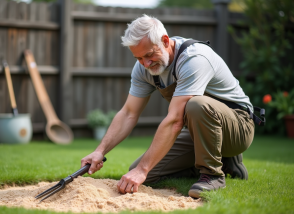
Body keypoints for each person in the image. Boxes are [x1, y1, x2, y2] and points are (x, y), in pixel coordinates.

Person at [81, 14, 257, 198]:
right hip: (199, 131)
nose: (146, 63)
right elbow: (128, 113)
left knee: (196, 105)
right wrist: (99, 151)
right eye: (139, 58)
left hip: (238, 126)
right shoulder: (143, 68)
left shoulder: (194, 58)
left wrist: (143, 169)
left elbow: (175, 120)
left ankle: (212, 175)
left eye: (149, 55)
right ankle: (227, 163)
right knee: (145, 173)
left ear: (165, 41)